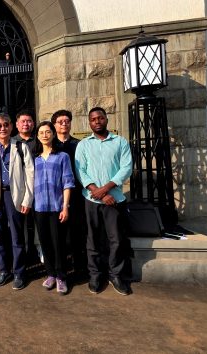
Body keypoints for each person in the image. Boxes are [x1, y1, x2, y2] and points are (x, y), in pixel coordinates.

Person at [75, 107, 133, 296]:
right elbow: (80, 170)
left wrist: (106, 189)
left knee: (116, 240)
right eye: (93, 119)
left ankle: (116, 275)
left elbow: (126, 168)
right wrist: (97, 192)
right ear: (89, 123)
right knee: (93, 240)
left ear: (106, 120)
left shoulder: (120, 142)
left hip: (114, 200)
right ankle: (95, 274)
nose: (97, 121)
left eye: (100, 118)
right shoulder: (84, 145)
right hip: (91, 200)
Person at [0, 112, 34, 290]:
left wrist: (27, 200)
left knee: (17, 236)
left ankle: (20, 272)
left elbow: (30, 175)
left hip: (15, 197)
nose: (3, 128)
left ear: (12, 126)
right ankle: (4, 271)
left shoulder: (20, 147)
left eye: (6, 125)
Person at [33, 121, 75, 295]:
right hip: (40, 207)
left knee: (59, 243)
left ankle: (61, 277)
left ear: (53, 134)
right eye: (41, 132)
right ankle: (50, 273)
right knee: (45, 242)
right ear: (37, 136)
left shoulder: (62, 156)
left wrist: (65, 207)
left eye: (48, 131)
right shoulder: (34, 159)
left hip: (57, 207)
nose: (44, 135)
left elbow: (68, 182)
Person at [51, 109, 87, 280]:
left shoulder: (79, 144)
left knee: (77, 234)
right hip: (56, 196)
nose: (64, 124)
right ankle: (61, 271)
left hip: (77, 195)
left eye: (67, 121)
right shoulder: (51, 146)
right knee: (59, 236)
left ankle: (80, 268)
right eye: (60, 121)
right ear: (54, 125)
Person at [13, 110, 40, 264]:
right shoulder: (12, 142)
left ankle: (37, 248)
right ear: (16, 125)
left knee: (36, 221)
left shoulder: (39, 140)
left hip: (38, 187)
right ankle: (22, 250)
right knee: (19, 222)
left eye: (29, 121)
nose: (26, 124)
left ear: (33, 124)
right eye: (22, 121)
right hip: (18, 189)